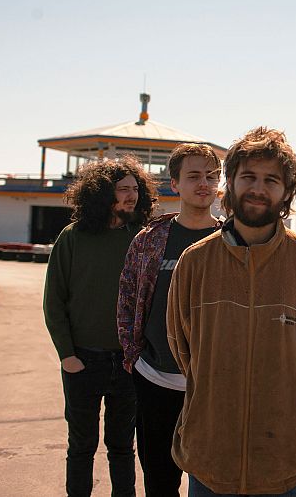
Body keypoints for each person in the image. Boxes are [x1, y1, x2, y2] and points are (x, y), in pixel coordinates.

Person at [166, 127, 296, 496]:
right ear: (230, 182)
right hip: (210, 455)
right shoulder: (196, 262)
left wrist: (291, 406)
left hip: (288, 461)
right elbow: (182, 347)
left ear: (287, 191)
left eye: (271, 180)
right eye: (248, 176)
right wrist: (217, 394)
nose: (258, 188)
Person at [44, 156, 158, 497]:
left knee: (123, 448)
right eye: (122, 189)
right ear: (100, 193)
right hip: (82, 361)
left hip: (128, 363)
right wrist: (67, 355)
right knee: (81, 447)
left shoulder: (142, 239)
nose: (131, 196)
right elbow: (54, 301)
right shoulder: (73, 237)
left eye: (135, 189)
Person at [117, 143, 223, 496]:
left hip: (214, 387)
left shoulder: (232, 242)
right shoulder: (149, 240)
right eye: (193, 176)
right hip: (156, 379)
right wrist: (132, 356)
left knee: (212, 481)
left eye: (211, 176)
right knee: (160, 482)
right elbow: (128, 299)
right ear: (174, 184)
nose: (204, 183)